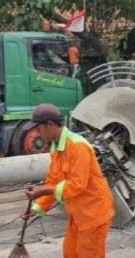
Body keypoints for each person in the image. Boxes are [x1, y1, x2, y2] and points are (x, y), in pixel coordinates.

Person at [22, 103, 114, 258]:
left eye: (39, 128)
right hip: (79, 214)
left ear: (50, 125)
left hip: (94, 214)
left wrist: (43, 191)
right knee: (70, 253)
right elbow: (53, 180)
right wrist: (36, 208)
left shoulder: (77, 146)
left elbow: (77, 185)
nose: (37, 133)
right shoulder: (56, 147)